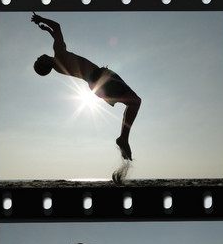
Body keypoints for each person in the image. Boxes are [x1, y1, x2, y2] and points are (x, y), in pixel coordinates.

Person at [30, 14, 141, 161]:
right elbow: (57, 27)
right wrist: (41, 19)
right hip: (101, 78)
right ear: (45, 64)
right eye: (39, 60)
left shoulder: (58, 62)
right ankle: (123, 138)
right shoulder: (59, 55)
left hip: (96, 83)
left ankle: (123, 138)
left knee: (133, 102)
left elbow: (56, 36)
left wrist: (48, 31)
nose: (39, 57)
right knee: (135, 101)